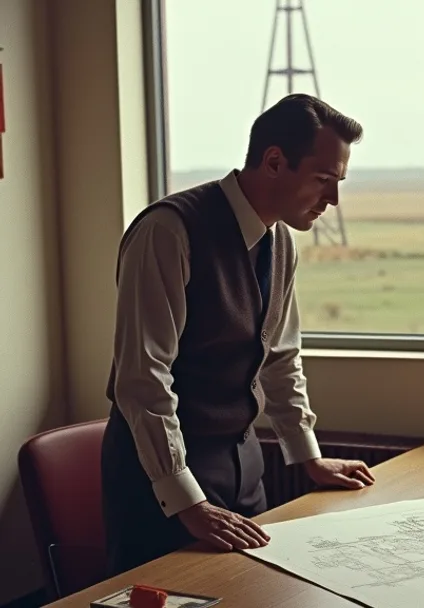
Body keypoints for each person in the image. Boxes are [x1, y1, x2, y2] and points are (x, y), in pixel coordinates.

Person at [101, 94, 376, 575]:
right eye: (323, 180)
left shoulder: (281, 240)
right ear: (274, 162)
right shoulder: (168, 232)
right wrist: (186, 500)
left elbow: (280, 357)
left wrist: (307, 457)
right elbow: (143, 379)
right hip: (162, 483)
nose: (333, 200)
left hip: (245, 471)